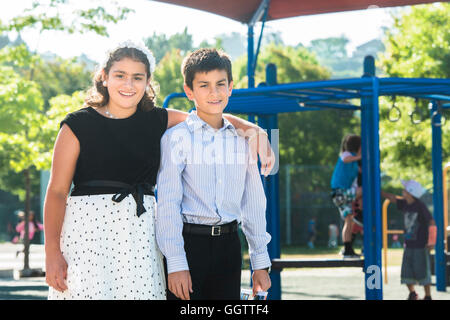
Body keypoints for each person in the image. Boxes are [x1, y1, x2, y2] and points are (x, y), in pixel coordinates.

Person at [44, 41, 275, 300]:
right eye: (120, 75)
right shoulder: (77, 124)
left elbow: (205, 116)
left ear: (147, 82)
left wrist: (253, 130)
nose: (128, 85)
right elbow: (56, 192)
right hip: (87, 235)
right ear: (104, 77)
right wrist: (51, 251)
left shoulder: (157, 119)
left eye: (137, 77)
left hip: (140, 238)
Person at [156, 48, 272, 300]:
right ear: (189, 91)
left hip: (229, 247)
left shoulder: (244, 140)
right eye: (204, 85)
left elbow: (253, 203)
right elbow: (167, 204)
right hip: (188, 246)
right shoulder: (176, 139)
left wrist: (260, 261)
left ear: (231, 87)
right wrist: (176, 263)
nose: (214, 92)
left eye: (220, 84)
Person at [381, 179, 436, 300]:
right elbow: (393, 198)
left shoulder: (420, 206)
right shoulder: (405, 203)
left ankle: (428, 295)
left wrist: (432, 241)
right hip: (408, 244)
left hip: (421, 245)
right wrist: (379, 191)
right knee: (406, 271)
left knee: (423, 271)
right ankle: (412, 293)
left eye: (405, 189)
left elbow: (431, 222)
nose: (403, 191)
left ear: (411, 192)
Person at [330, 134, 361, 258]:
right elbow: (345, 159)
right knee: (364, 190)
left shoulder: (354, 163)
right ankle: (363, 216)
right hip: (340, 193)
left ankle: (347, 250)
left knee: (349, 220)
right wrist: (360, 156)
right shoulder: (346, 155)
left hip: (341, 195)